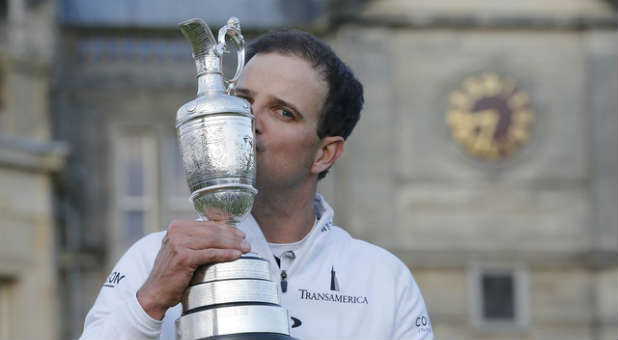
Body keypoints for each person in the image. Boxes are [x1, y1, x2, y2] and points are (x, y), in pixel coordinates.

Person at [80, 29, 433, 340]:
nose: (249, 119)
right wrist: (151, 301)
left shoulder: (383, 280)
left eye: (283, 112)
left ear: (325, 154)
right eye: (244, 100)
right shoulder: (154, 258)